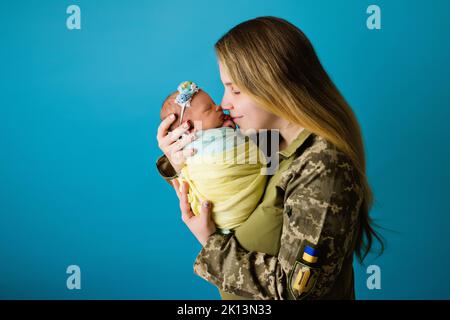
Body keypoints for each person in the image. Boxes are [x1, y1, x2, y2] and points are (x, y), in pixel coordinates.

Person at [155, 16, 383, 300]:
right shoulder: (268, 145)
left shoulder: (323, 166)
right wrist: (179, 161)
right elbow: (222, 190)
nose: (225, 103)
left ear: (274, 86)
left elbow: (296, 291)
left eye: (235, 90)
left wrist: (210, 242)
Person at [160, 80, 267, 231]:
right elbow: (197, 179)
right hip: (224, 212)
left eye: (236, 91)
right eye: (208, 109)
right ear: (188, 128)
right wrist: (176, 166)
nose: (220, 106)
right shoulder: (190, 149)